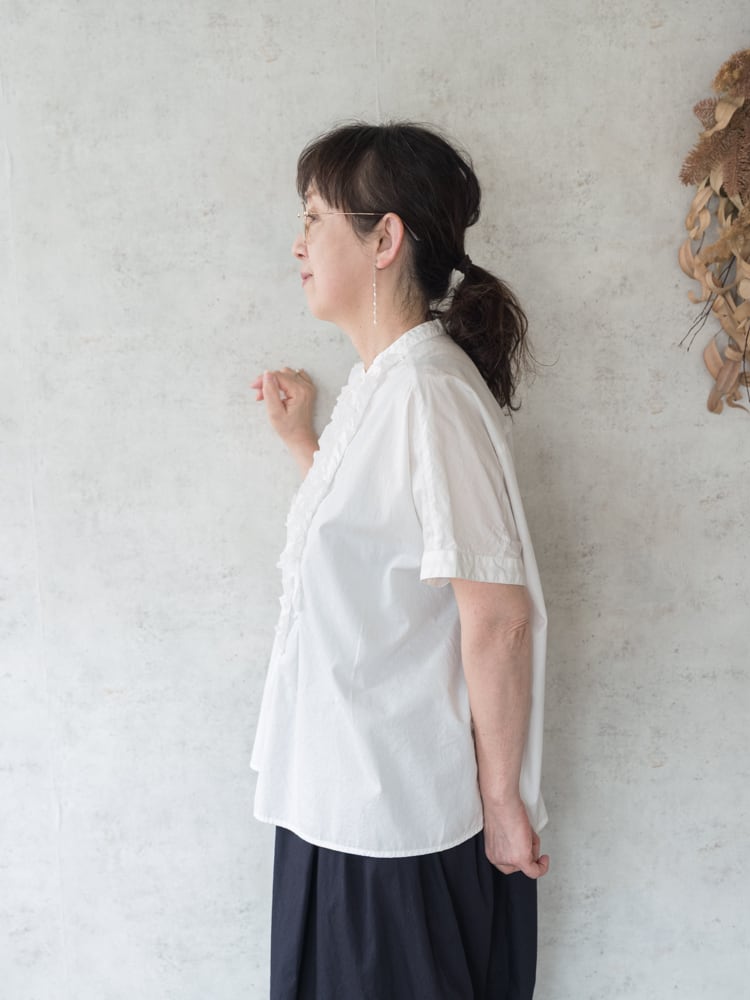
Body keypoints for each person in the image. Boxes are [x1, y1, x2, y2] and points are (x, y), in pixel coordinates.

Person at [251, 122, 549, 1000]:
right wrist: (303, 443)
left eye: (315, 218)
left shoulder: (427, 392)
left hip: (394, 828)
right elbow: (379, 553)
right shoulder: (384, 387)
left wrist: (502, 806)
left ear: (385, 239)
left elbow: (498, 617)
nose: (298, 244)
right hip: (340, 802)